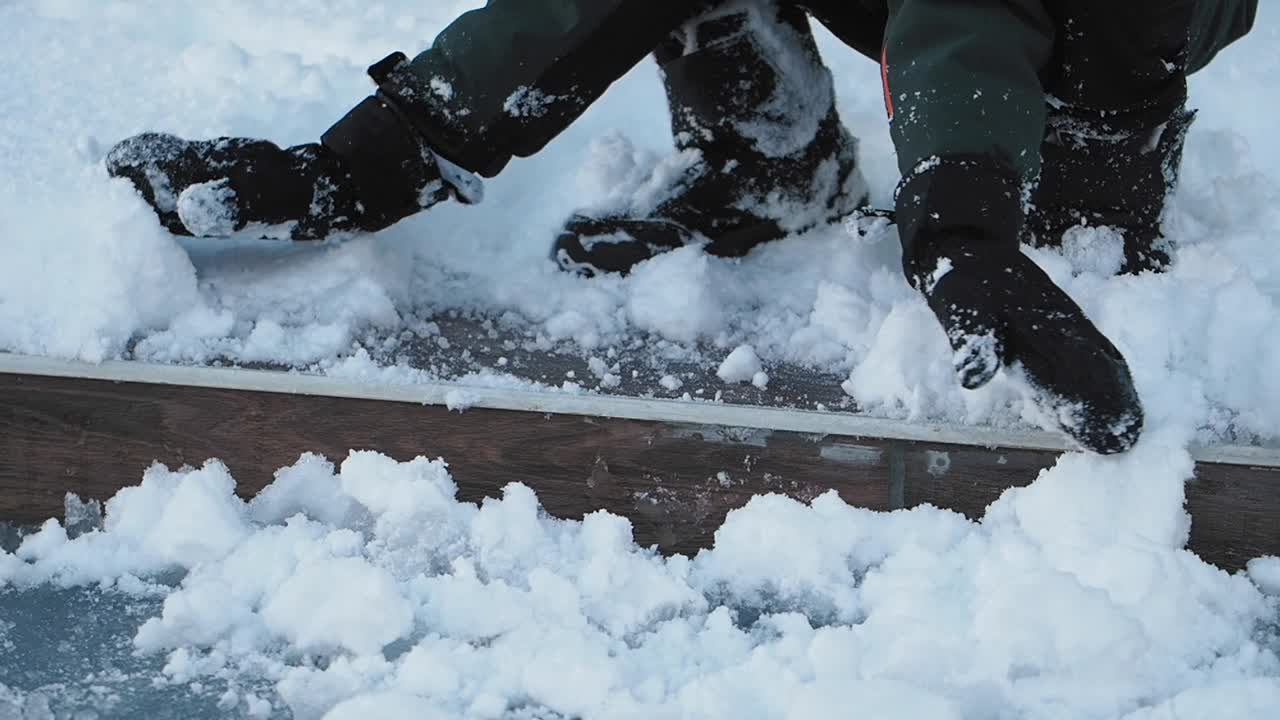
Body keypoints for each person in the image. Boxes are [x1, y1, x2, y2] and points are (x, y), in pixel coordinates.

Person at [105, 0, 1258, 454]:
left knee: (1072, 254)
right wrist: (365, 162)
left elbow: (966, 15)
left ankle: (1059, 241)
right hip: (955, 51)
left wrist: (963, 229)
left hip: (1086, 79)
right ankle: (770, 170)